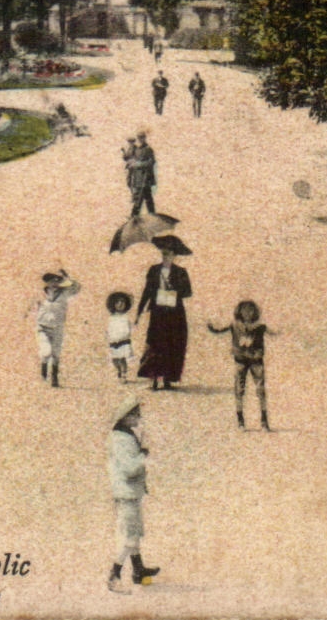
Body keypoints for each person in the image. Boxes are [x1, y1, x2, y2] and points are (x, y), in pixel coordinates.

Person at [107, 396, 161, 592]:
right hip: (126, 492)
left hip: (130, 491)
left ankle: (138, 570)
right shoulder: (121, 439)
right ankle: (114, 576)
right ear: (126, 417)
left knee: (135, 531)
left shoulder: (125, 434)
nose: (139, 416)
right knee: (129, 537)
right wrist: (143, 457)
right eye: (135, 414)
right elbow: (130, 468)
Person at [136, 235, 193, 390]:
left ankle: (168, 378)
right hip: (158, 312)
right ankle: (154, 377)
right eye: (164, 253)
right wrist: (139, 311)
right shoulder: (154, 270)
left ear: (175, 255)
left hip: (175, 313)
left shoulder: (181, 272)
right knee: (155, 344)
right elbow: (147, 291)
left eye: (169, 253)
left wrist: (174, 290)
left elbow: (188, 292)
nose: (165, 255)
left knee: (173, 344)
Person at [208, 300, 270, 429]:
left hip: (256, 361)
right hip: (240, 360)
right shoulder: (235, 325)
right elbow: (219, 329)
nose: (247, 313)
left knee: (260, 389)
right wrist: (211, 326)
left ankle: (264, 420)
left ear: (255, 312)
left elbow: (274, 331)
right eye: (244, 310)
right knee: (239, 389)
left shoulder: (260, 327)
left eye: (250, 310)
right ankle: (240, 420)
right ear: (239, 312)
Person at [28, 270, 82, 387]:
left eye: (56, 280)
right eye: (50, 280)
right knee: (46, 351)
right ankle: (43, 368)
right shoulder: (41, 294)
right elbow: (31, 306)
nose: (53, 282)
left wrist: (67, 277)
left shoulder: (64, 293)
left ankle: (54, 378)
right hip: (43, 327)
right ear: (46, 282)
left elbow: (77, 287)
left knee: (56, 354)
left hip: (57, 327)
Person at [124, 133, 157, 217]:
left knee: (140, 197)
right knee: (147, 197)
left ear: (145, 138)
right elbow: (130, 158)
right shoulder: (136, 149)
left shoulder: (148, 149)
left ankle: (134, 216)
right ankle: (151, 214)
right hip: (138, 177)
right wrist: (131, 162)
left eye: (142, 138)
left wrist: (139, 164)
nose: (140, 140)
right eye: (139, 138)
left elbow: (151, 162)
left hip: (145, 177)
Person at [106, 292, 136, 383]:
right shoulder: (111, 317)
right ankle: (118, 371)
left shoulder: (125, 317)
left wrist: (124, 336)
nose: (120, 304)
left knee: (122, 358)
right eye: (117, 302)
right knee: (114, 359)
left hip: (123, 340)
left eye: (122, 302)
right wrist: (109, 336)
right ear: (114, 305)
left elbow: (128, 329)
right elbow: (109, 328)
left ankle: (124, 374)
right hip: (113, 340)